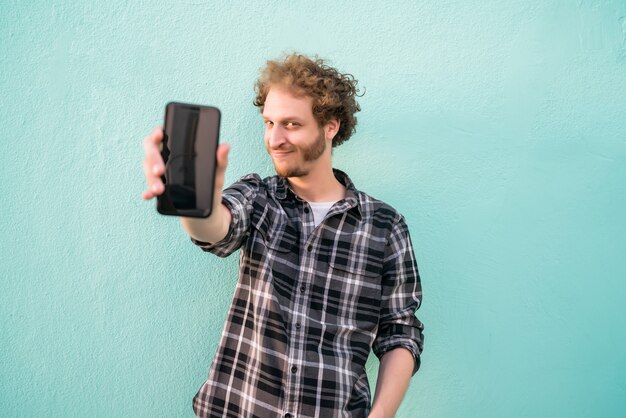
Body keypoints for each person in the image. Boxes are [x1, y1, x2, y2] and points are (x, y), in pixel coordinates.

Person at [142, 53, 424, 418]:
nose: (274, 139)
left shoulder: (385, 226)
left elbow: (400, 332)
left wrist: (381, 415)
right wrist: (194, 203)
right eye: (269, 122)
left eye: (291, 124)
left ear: (330, 127)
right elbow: (216, 230)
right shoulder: (259, 196)